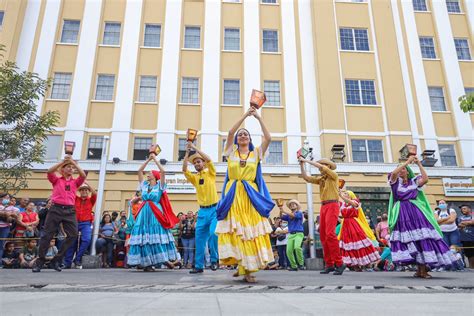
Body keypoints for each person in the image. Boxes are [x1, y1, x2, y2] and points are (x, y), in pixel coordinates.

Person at [216, 107, 275, 283]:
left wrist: (257, 117)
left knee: (250, 231)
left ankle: (249, 269)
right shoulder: (230, 152)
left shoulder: (256, 153)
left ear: (249, 139)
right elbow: (230, 131)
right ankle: (242, 265)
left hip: (250, 195)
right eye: (240, 135)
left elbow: (269, 138)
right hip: (233, 194)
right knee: (237, 230)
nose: (242, 136)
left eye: (246, 135)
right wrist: (244, 115)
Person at [388, 156, 456, 278]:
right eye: (400, 168)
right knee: (411, 241)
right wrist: (407, 162)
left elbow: (425, 178)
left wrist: (419, 163)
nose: (401, 170)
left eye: (404, 169)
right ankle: (419, 269)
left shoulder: (413, 182)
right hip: (402, 213)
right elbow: (394, 173)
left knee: (422, 239)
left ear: (408, 171)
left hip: (416, 212)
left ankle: (423, 270)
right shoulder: (394, 181)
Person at [33, 155, 87, 273]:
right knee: (47, 235)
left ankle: (56, 260)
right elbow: (49, 171)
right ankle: (40, 261)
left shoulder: (75, 182)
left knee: (73, 235)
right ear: (62, 170)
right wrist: (63, 162)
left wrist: (72, 162)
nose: (70, 168)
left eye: (72, 167)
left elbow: (83, 175)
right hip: (55, 209)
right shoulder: (56, 180)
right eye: (67, 167)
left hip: (69, 210)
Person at [127, 153, 180, 271]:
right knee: (144, 236)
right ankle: (146, 263)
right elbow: (139, 171)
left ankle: (161, 260)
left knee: (155, 237)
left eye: (150, 173)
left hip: (155, 212)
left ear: (155, 177)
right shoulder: (144, 186)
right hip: (144, 211)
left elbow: (163, 172)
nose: (148, 174)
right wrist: (148, 159)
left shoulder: (160, 186)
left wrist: (155, 159)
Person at [298, 156, 345, 275]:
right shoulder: (322, 179)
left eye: (323, 165)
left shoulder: (334, 176)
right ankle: (329, 264)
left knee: (330, 234)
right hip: (324, 206)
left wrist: (306, 160)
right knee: (323, 236)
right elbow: (306, 178)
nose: (320, 167)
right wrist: (301, 165)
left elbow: (321, 167)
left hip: (333, 205)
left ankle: (339, 263)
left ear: (328, 166)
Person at [183, 142, 219, 274]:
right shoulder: (195, 178)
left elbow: (209, 159)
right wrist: (187, 153)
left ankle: (214, 260)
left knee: (213, 234)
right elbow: (184, 170)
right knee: (199, 239)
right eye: (195, 163)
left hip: (214, 210)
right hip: (202, 211)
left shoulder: (211, 173)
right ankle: (198, 266)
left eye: (199, 162)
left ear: (203, 163)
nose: (197, 164)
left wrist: (195, 148)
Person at [337, 190, 380, 271]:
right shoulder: (343, 204)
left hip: (353, 224)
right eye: (344, 193)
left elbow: (353, 204)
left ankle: (364, 263)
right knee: (348, 245)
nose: (345, 194)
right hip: (345, 225)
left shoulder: (355, 201)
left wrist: (341, 196)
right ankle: (354, 264)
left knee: (357, 243)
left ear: (350, 195)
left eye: (346, 193)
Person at [64, 183, 97, 269]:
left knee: (87, 240)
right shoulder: (75, 199)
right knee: (72, 242)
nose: (84, 191)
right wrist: (79, 185)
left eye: (86, 190)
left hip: (86, 223)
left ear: (88, 191)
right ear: (80, 191)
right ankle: (67, 263)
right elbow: (71, 191)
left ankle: (77, 259)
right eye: (82, 190)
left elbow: (94, 193)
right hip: (74, 222)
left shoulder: (91, 200)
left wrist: (87, 182)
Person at [279, 200, 305, 271]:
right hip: (291, 234)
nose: (292, 205)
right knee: (288, 251)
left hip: (298, 234)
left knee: (297, 247)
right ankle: (294, 266)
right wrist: (281, 210)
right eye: (291, 205)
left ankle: (301, 264)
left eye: (294, 204)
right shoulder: (288, 215)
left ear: (297, 206)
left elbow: (293, 215)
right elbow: (281, 217)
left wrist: (284, 211)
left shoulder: (299, 213)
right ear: (290, 207)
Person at [0, 193, 19, 266]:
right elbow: (7, 215)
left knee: (1, 245)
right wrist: (8, 214)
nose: (7, 199)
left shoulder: (12, 207)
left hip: (5, 228)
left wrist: (7, 214)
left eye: (8, 198)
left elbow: (15, 216)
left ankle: (0, 263)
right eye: (5, 197)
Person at [458, 204, 474, 269]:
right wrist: (469, 222)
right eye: (462, 209)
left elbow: (473, 222)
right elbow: (459, 225)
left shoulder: (472, 215)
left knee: (473, 252)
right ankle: (471, 266)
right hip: (464, 238)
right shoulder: (460, 217)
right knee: (468, 253)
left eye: (464, 208)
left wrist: (464, 223)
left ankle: (472, 266)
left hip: (472, 237)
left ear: (469, 209)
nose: (462, 210)